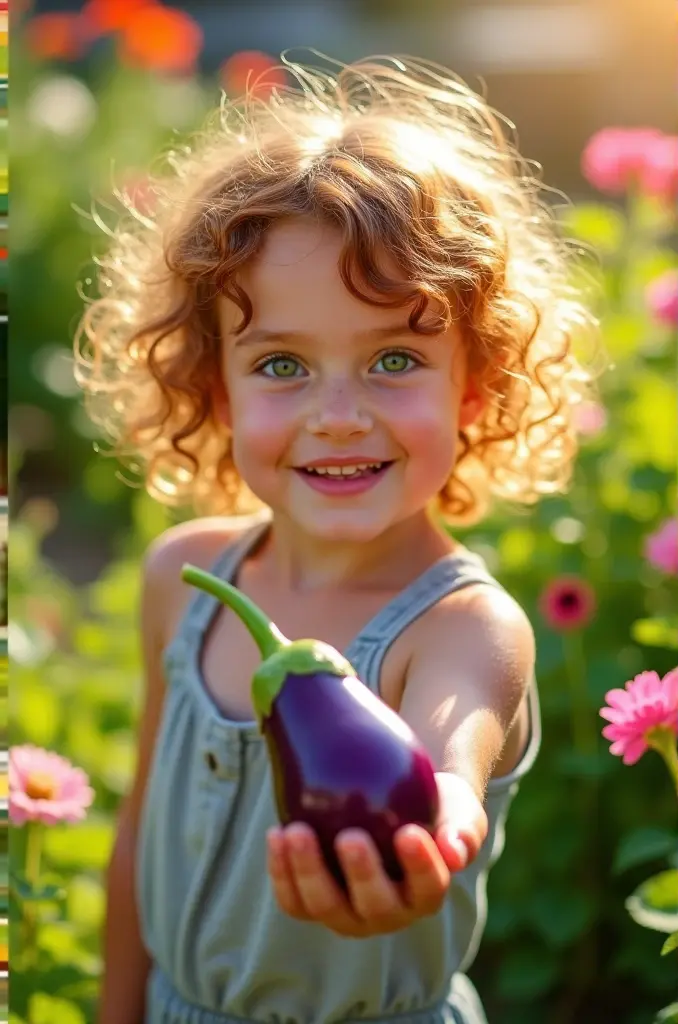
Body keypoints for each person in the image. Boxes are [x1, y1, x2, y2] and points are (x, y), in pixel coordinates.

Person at [76, 55, 596, 1024]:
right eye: (281, 363)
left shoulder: (459, 628)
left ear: (471, 387)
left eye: (393, 357)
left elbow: (452, 756)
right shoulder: (180, 581)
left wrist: (437, 828)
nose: (339, 415)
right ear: (214, 387)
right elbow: (138, 837)